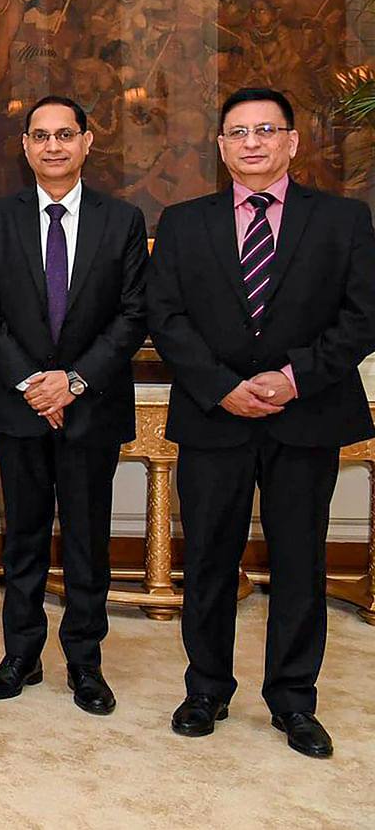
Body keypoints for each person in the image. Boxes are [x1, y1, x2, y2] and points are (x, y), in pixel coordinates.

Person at [149, 87, 375, 759]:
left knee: (300, 563)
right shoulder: (184, 222)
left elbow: (362, 316)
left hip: (304, 417)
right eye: (237, 132)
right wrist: (224, 387)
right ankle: (206, 689)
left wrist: (292, 377)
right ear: (220, 147)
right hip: (214, 418)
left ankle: (293, 701)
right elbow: (165, 317)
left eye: (266, 130)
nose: (252, 142)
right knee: (211, 562)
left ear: (292, 141)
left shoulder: (342, 220)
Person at [0, 95, 147, 714]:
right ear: (25, 146)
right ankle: (21, 656)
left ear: (87, 142)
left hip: (92, 406)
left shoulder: (122, 220)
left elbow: (132, 314)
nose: (53, 146)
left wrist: (73, 381)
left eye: (65, 134)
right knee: (23, 536)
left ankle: (86, 664)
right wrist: (34, 382)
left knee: (88, 539)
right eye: (40, 136)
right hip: (20, 407)